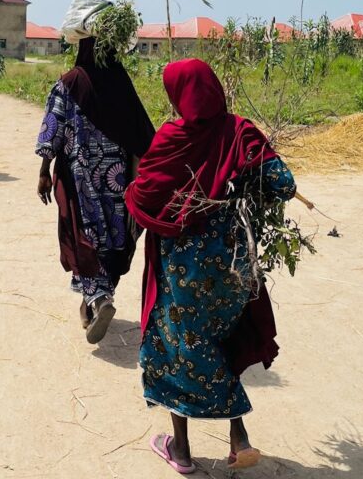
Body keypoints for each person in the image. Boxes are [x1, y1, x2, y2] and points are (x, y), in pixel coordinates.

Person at [125, 59, 296, 474]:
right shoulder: (240, 132)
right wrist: (242, 190)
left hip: (180, 275)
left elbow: (143, 194)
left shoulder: (171, 139)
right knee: (223, 341)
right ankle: (239, 439)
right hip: (232, 269)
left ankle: (180, 450)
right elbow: (285, 185)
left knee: (172, 348)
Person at [36, 36, 155, 343]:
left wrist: (44, 171)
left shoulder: (71, 82)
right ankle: (94, 300)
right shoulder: (121, 84)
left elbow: (54, 126)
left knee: (81, 236)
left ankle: (99, 299)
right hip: (117, 180)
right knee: (113, 238)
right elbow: (143, 132)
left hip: (80, 179)